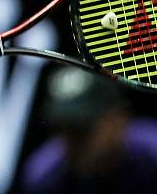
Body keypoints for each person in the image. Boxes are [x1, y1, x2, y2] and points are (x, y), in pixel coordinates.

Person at [20, 66, 157, 193]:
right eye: (62, 129)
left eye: (81, 129)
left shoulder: (152, 156)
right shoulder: (44, 176)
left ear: (118, 118)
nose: (71, 142)